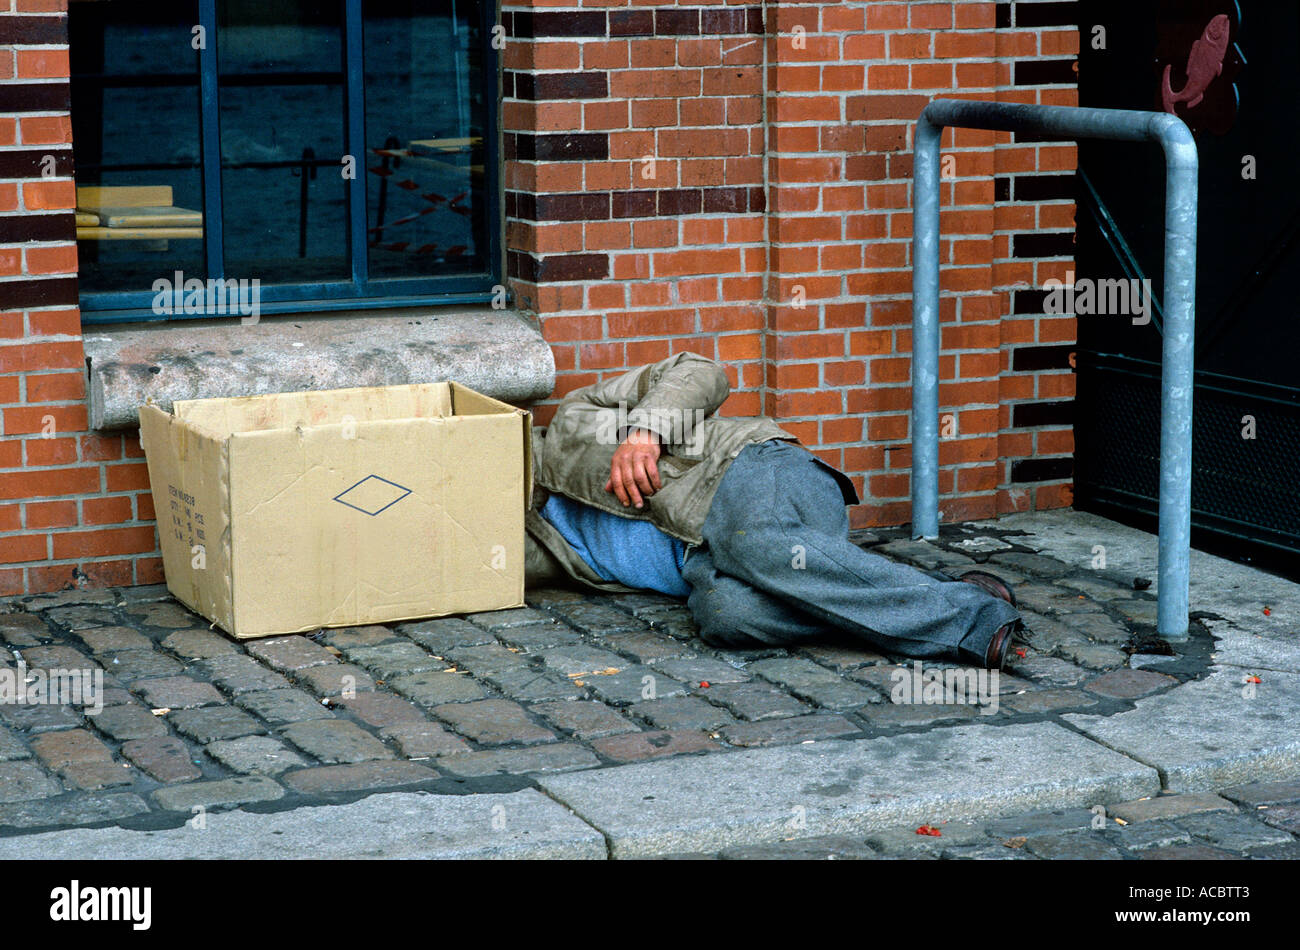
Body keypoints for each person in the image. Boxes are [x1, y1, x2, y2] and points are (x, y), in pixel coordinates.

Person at [524, 353, 1021, 669]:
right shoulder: (516, 546)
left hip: (753, 473)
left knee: (754, 539)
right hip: (712, 563)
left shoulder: (573, 417)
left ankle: (970, 618)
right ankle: (927, 594)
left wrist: (646, 432)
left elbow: (699, 370)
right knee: (728, 618)